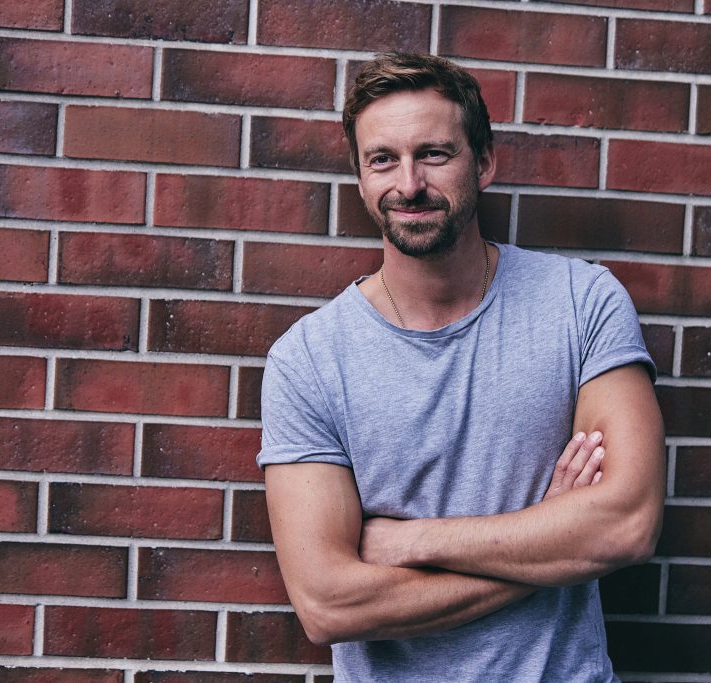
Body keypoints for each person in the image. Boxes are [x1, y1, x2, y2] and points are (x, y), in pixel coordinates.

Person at [258, 52, 665, 682]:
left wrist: (411, 541)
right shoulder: (308, 359)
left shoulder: (581, 302)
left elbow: (627, 524)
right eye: (383, 159)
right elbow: (328, 604)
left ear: (484, 162)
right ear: (360, 178)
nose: (409, 183)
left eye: (434, 154)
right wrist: (549, 549)